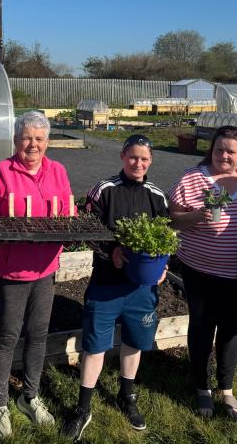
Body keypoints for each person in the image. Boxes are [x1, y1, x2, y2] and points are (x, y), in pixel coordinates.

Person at [60, 134, 169, 442]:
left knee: (134, 342)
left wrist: (164, 267)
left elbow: (165, 239)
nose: (138, 163)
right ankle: (83, 408)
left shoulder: (157, 196)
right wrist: (112, 253)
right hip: (106, 284)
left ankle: (127, 394)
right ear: (123, 156)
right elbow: (87, 227)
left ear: (150, 162)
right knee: (95, 346)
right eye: (133, 157)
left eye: (145, 159)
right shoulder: (104, 189)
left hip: (141, 288)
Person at [0, 111, 73, 439]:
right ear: (16, 140)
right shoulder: (1, 172)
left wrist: (69, 232)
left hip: (46, 268)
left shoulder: (57, 171)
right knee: (7, 336)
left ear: (47, 142)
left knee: (39, 334)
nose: (33, 144)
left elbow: (65, 214)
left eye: (39, 139)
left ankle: (29, 395)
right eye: (27, 138)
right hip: (12, 269)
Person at [168, 125, 237, 419]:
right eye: (218, 149)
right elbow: (172, 219)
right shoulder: (193, 178)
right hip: (200, 270)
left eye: (230, 151)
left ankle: (226, 388)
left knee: (231, 329)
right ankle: (202, 387)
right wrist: (198, 215)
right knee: (201, 327)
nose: (223, 155)